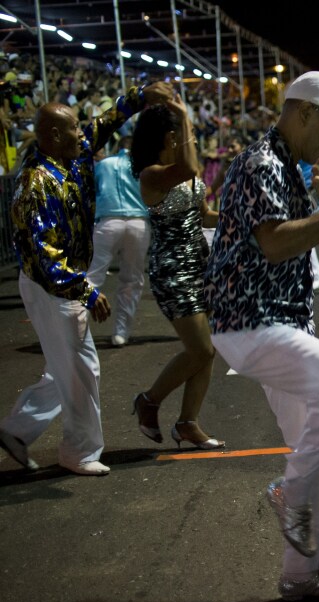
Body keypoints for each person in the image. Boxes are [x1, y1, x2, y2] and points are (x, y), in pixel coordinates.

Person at [205, 71, 319, 600]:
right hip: (253, 324)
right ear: (303, 112)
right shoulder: (262, 163)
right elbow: (276, 244)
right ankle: (289, 489)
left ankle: (303, 575)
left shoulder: (285, 163)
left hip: (276, 323)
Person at [0, 82, 173, 476]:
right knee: (82, 366)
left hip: (61, 282)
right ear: (53, 136)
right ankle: (78, 450)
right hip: (51, 287)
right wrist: (87, 291)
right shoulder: (34, 185)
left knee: (66, 366)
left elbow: (107, 121)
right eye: (74, 128)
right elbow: (45, 257)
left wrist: (143, 96)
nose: (84, 133)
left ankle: (16, 431)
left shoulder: (71, 154)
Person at [130, 95, 223, 450]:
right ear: (170, 138)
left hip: (200, 265)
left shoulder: (185, 175)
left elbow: (203, 215)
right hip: (172, 271)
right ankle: (149, 401)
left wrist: (238, 218)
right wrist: (184, 114)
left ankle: (188, 423)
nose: (194, 141)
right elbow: (187, 168)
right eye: (187, 134)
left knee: (207, 348)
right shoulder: (152, 175)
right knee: (201, 350)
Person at [87, 135, 150, 347]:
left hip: (107, 221)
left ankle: (77, 329)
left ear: (118, 147)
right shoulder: (143, 166)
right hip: (138, 222)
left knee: (92, 276)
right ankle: (121, 332)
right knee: (132, 279)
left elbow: (92, 191)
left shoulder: (104, 164)